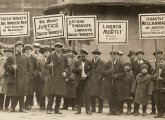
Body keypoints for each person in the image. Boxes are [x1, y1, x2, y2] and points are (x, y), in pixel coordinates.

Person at [4, 41, 32, 112]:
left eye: (21, 47)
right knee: (14, 94)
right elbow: (5, 66)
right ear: (15, 48)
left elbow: (30, 67)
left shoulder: (26, 57)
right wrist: (12, 67)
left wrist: (27, 75)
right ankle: (12, 108)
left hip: (23, 78)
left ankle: (22, 108)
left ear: (23, 48)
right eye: (18, 47)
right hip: (14, 78)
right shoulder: (11, 57)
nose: (20, 48)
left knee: (22, 94)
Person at [46, 43, 68, 114]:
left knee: (59, 94)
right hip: (53, 77)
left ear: (61, 48)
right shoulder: (51, 56)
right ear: (55, 48)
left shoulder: (64, 57)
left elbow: (67, 66)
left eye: (60, 47)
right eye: (57, 47)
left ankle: (57, 109)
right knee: (51, 94)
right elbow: (45, 65)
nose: (58, 48)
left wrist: (65, 71)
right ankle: (49, 108)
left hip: (61, 78)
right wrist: (49, 65)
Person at [102, 50, 125, 115]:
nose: (114, 56)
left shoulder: (121, 63)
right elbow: (102, 72)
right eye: (112, 55)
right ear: (110, 55)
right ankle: (111, 110)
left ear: (117, 56)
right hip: (109, 82)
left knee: (117, 96)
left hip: (118, 83)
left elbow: (124, 73)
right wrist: (109, 71)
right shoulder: (107, 64)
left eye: (115, 55)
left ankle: (117, 110)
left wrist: (117, 75)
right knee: (110, 96)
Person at [73, 48, 92, 115]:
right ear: (80, 54)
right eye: (82, 53)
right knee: (79, 95)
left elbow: (92, 71)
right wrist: (78, 69)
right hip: (79, 81)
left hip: (86, 81)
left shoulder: (89, 62)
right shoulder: (77, 62)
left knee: (87, 95)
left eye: (84, 53)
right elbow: (73, 70)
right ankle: (78, 109)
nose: (83, 55)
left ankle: (88, 109)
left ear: (86, 55)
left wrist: (86, 75)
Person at [89, 49, 104, 113]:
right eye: (95, 54)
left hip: (99, 81)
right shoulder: (90, 62)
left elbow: (104, 72)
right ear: (93, 55)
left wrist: (102, 78)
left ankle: (100, 109)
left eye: (97, 54)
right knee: (91, 95)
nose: (96, 55)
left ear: (99, 55)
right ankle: (93, 108)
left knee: (100, 96)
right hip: (91, 81)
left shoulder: (102, 63)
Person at [151, 50, 165, 118]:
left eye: (162, 62)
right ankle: (158, 113)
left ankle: (163, 113)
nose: (160, 63)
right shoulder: (155, 70)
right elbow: (150, 78)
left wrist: (162, 79)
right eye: (159, 62)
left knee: (163, 101)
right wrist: (154, 76)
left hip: (163, 88)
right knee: (157, 101)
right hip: (156, 87)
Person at [30, 43, 45, 109]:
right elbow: (30, 66)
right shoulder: (30, 55)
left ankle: (42, 104)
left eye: (38, 47)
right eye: (35, 47)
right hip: (32, 75)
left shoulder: (41, 56)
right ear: (33, 47)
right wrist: (33, 73)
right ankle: (29, 104)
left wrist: (41, 73)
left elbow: (43, 65)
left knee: (41, 90)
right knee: (31, 90)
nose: (37, 48)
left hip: (40, 76)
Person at [24, 44, 34, 110]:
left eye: (29, 50)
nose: (28, 51)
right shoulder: (23, 57)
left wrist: (34, 74)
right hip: (23, 76)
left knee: (30, 92)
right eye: (26, 50)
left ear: (31, 50)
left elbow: (36, 67)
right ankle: (23, 104)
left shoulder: (33, 58)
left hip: (31, 77)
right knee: (24, 91)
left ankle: (28, 104)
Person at [0, 43, 6, 110]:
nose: (1, 49)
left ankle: (1, 105)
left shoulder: (4, 58)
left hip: (2, 76)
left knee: (1, 91)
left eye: (1, 48)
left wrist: (2, 74)